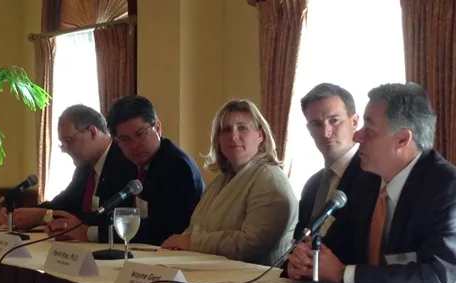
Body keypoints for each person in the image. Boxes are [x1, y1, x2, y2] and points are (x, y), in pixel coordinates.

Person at [287, 82, 456, 283]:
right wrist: (308, 263)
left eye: (369, 129)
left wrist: (343, 274)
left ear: (402, 139)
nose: (358, 136)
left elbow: (435, 280)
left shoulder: (449, 190)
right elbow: (339, 250)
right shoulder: (367, 182)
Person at [49, 95, 205, 245]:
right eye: (125, 139)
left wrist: (88, 233)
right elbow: (113, 215)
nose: (134, 145)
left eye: (140, 134)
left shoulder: (176, 166)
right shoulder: (137, 164)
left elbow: (160, 230)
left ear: (157, 128)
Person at [161, 99, 298, 266]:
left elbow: (250, 245)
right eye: (226, 129)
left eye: (243, 128)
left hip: (253, 280)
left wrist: (191, 243)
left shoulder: (269, 180)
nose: (233, 136)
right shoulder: (221, 180)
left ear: (260, 135)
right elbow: (195, 230)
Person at [0, 104, 136, 239]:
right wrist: (22, 215)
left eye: (68, 141)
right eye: (62, 143)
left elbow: (105, 217)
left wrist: (43, 216)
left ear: (92, 132)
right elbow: (64, 203)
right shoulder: (85, 167)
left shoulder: (126, 159)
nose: (64, 149)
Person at [294, 83, 362, 238]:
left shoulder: (373, 176)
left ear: (354, 122)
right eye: (316, 124)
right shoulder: (312, 184)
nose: (326, 132)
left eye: (334, 120)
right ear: (309, 130)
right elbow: (299, 238)